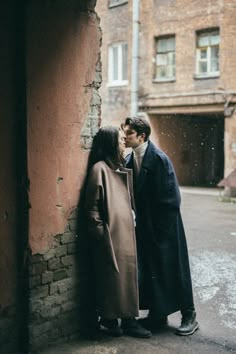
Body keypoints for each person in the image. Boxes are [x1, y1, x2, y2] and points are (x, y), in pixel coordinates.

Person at [122, 117, 199, 336]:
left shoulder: (159, 159)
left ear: (142, 136)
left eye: (128, 133)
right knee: (152, 270)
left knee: (175, 269)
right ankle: (159, 315)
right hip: (146, 228)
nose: (124, 136)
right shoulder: (130, 159)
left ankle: (190, 315)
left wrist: (160, 232)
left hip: (165, 228)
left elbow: (172, 199)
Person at [84, 126, 151, 338]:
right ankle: (112, 320)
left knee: (128, 279)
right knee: (113, 279)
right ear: (110, 143)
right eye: (120, 140)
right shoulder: (100, 169)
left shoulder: (120, 167)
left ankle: (129, 320)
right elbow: (91, 208)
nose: (124, 143)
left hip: (127, 235)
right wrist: (101, 235)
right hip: (111, 236)